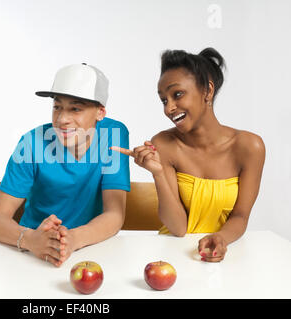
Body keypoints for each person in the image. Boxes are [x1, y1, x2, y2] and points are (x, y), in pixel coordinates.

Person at [112, 48, 265, 262]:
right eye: (164, 100)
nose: (169, 108)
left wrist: (220, 238)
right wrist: (157, 173)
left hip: (223, 251)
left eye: (177, 95)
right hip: (172, 254)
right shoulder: (163, 144)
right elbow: (178, 228)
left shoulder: (249, 147)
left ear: (207, 91)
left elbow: (241, 216)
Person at [0, 63, 130, 267]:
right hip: (32, 253)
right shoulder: (30, 143)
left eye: (75, 108)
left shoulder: (114, 135)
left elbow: (114, 214)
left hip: (91, 251)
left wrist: (74, 239)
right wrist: (31, 239)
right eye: (57, 107)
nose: (62, 119)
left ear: (100, 112)